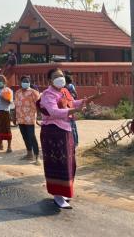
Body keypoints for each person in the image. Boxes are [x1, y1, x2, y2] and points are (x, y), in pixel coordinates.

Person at [39, 68, 103, 209]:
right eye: (56, 76)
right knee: (57, 164)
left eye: (61, 76)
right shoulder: (47, 94)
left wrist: (92, 98)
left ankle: (64, 192)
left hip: (66, 130)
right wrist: (75, 111)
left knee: (69, 163)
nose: (60, 78)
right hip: (53, 132)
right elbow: (54, 112)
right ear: (49, 80)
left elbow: (73, 103)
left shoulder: (64, 91)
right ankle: (57, 196)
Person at [14, 75, 41, 164]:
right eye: (23, 81)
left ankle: (37, 156)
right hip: (20, 118)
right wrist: (15, 116)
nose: (25, 82)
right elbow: (16, 105)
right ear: (20, 83)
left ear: (29, 82)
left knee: (31, 136)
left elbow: (39, 104)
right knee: (24, 136)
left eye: (27, 81)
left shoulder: (34, 92)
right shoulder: (17, 92)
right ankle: (29, 154)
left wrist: (40, 116)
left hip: (30, 118)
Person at [65, 73, 79, 146]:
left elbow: (75, 95)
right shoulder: (71, 86)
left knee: (71, 125)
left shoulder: (68, 87)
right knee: (72, 125)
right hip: (70, 107)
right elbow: (76, 95)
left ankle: (74, 142)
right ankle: (75, 141)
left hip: (69, 107)